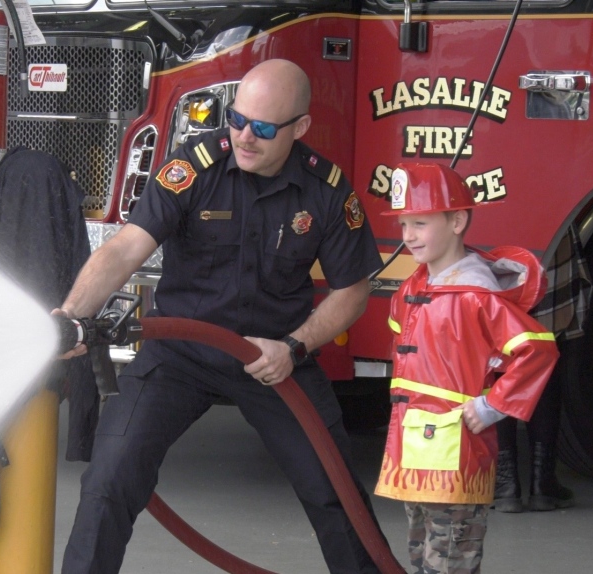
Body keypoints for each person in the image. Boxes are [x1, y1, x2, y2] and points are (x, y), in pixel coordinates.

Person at [54, 58, 388, 574]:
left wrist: (294, 347)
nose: (244, 137)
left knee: (335, 493)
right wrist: (72, 316)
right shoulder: (195, 166)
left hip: (275, 359)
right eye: (236, 120)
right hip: (180, 355)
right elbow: (125, 250)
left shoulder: (327, 190)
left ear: (299, 128)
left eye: (263, 128)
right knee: (110, 479)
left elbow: (352, 292)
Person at [374, 162, 559, 573]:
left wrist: (492, 405)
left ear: (457, 220)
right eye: (404, 224)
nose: (407, 236)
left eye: (419, 223)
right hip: (415, 450)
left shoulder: (477, 296)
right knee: (422, 558)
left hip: (456, 454)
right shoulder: (410, 290)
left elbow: (537, 350)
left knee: (451, 560)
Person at [493, 226, 591, 513]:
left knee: (498, 353)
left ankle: (505, 484)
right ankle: (542, 482)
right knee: (544, 354)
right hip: (548, 226)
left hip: (493, 224)